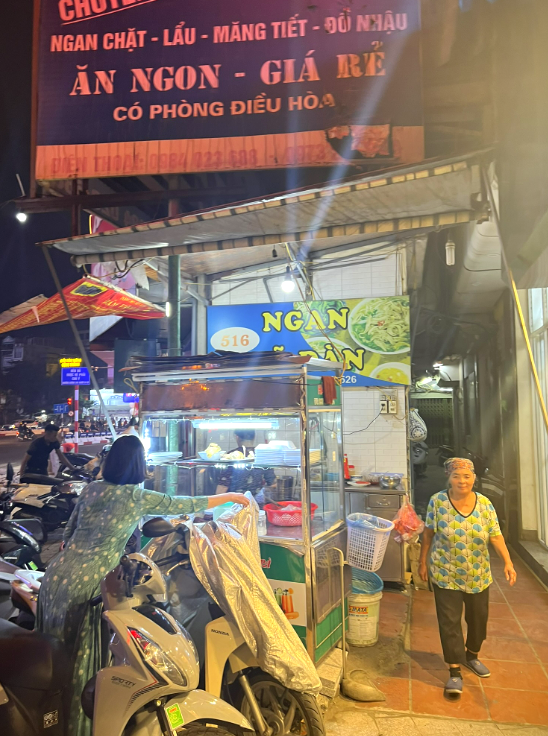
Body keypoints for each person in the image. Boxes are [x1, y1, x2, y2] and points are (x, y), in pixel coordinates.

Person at [37, 434, 249, 736]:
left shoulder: (93, 488)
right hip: (91, 582)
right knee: (84, 658)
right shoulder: (135, 496)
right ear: (138, 464)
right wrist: (230, 497)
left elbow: (68, 534)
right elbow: (183, 504)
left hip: (57, 576)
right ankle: (78, 728)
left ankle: (44, 718)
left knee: (51, 653)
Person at [419, 457, 516, 697]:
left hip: (477, 574)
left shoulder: (484, 504)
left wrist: (508, 562)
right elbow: (428, 534)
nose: (462, 481)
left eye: (467, 476)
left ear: (474, 478)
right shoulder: (437, 502)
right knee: (449, 621)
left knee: (478, 619)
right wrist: (422, 562)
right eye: (456, 476)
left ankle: (471, 656)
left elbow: (495, 536)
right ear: (448, 478)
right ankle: (454, 671)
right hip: (445, 572)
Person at [215, 429, 276, 498]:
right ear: (254, 437)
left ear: (237, 437)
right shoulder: (262, 456)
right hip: (256, 502)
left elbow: (223, 487)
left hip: (235, 502)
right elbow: (273, 484)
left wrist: (215, 502)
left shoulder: (230, 456)